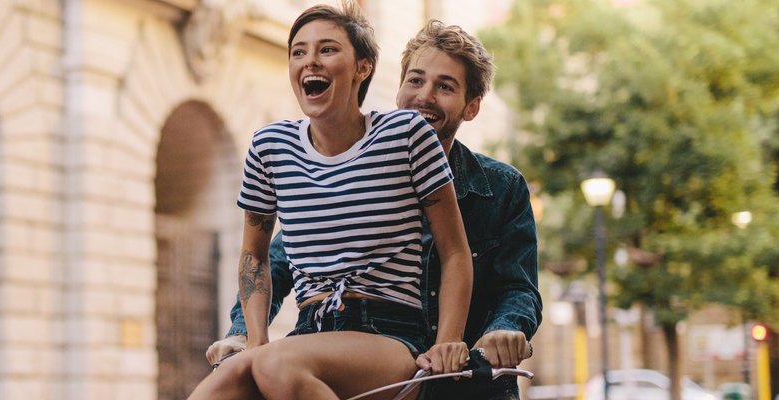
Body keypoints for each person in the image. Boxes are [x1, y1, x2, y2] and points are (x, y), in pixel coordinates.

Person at [205, 20, 542, 400]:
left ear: (472, 106)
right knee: (229, 382)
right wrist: (242, 335)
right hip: (332, 348)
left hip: (444, 373)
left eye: (445, 87)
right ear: (399, 89)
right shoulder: (361, 166)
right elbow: (278, 259)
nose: (425, 96)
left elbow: (517, 288)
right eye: (415, 81)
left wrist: (501, 330)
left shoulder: (500, 187)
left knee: (274, 365)